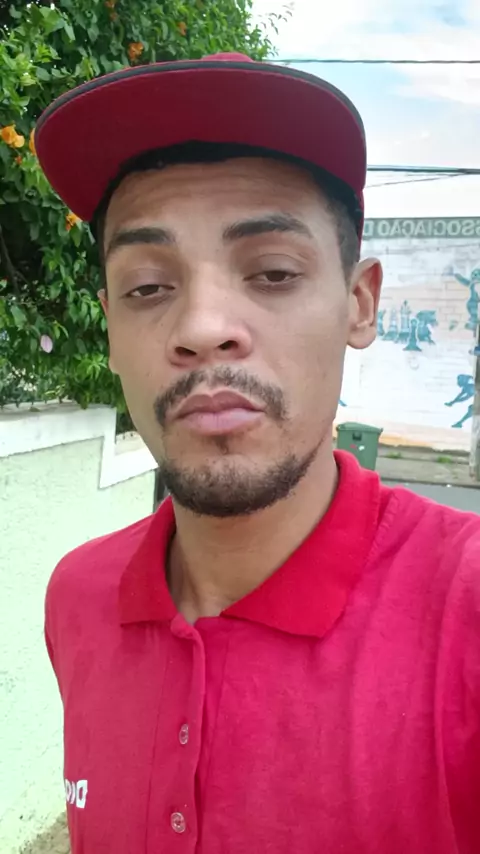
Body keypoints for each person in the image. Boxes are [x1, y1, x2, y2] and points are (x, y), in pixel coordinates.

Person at [36, 54, 480, 854]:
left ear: (359, 304)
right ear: (110, 329)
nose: (203, 328)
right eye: (147, 287)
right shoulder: (78, 598)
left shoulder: (464, 611)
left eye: (272, 272)